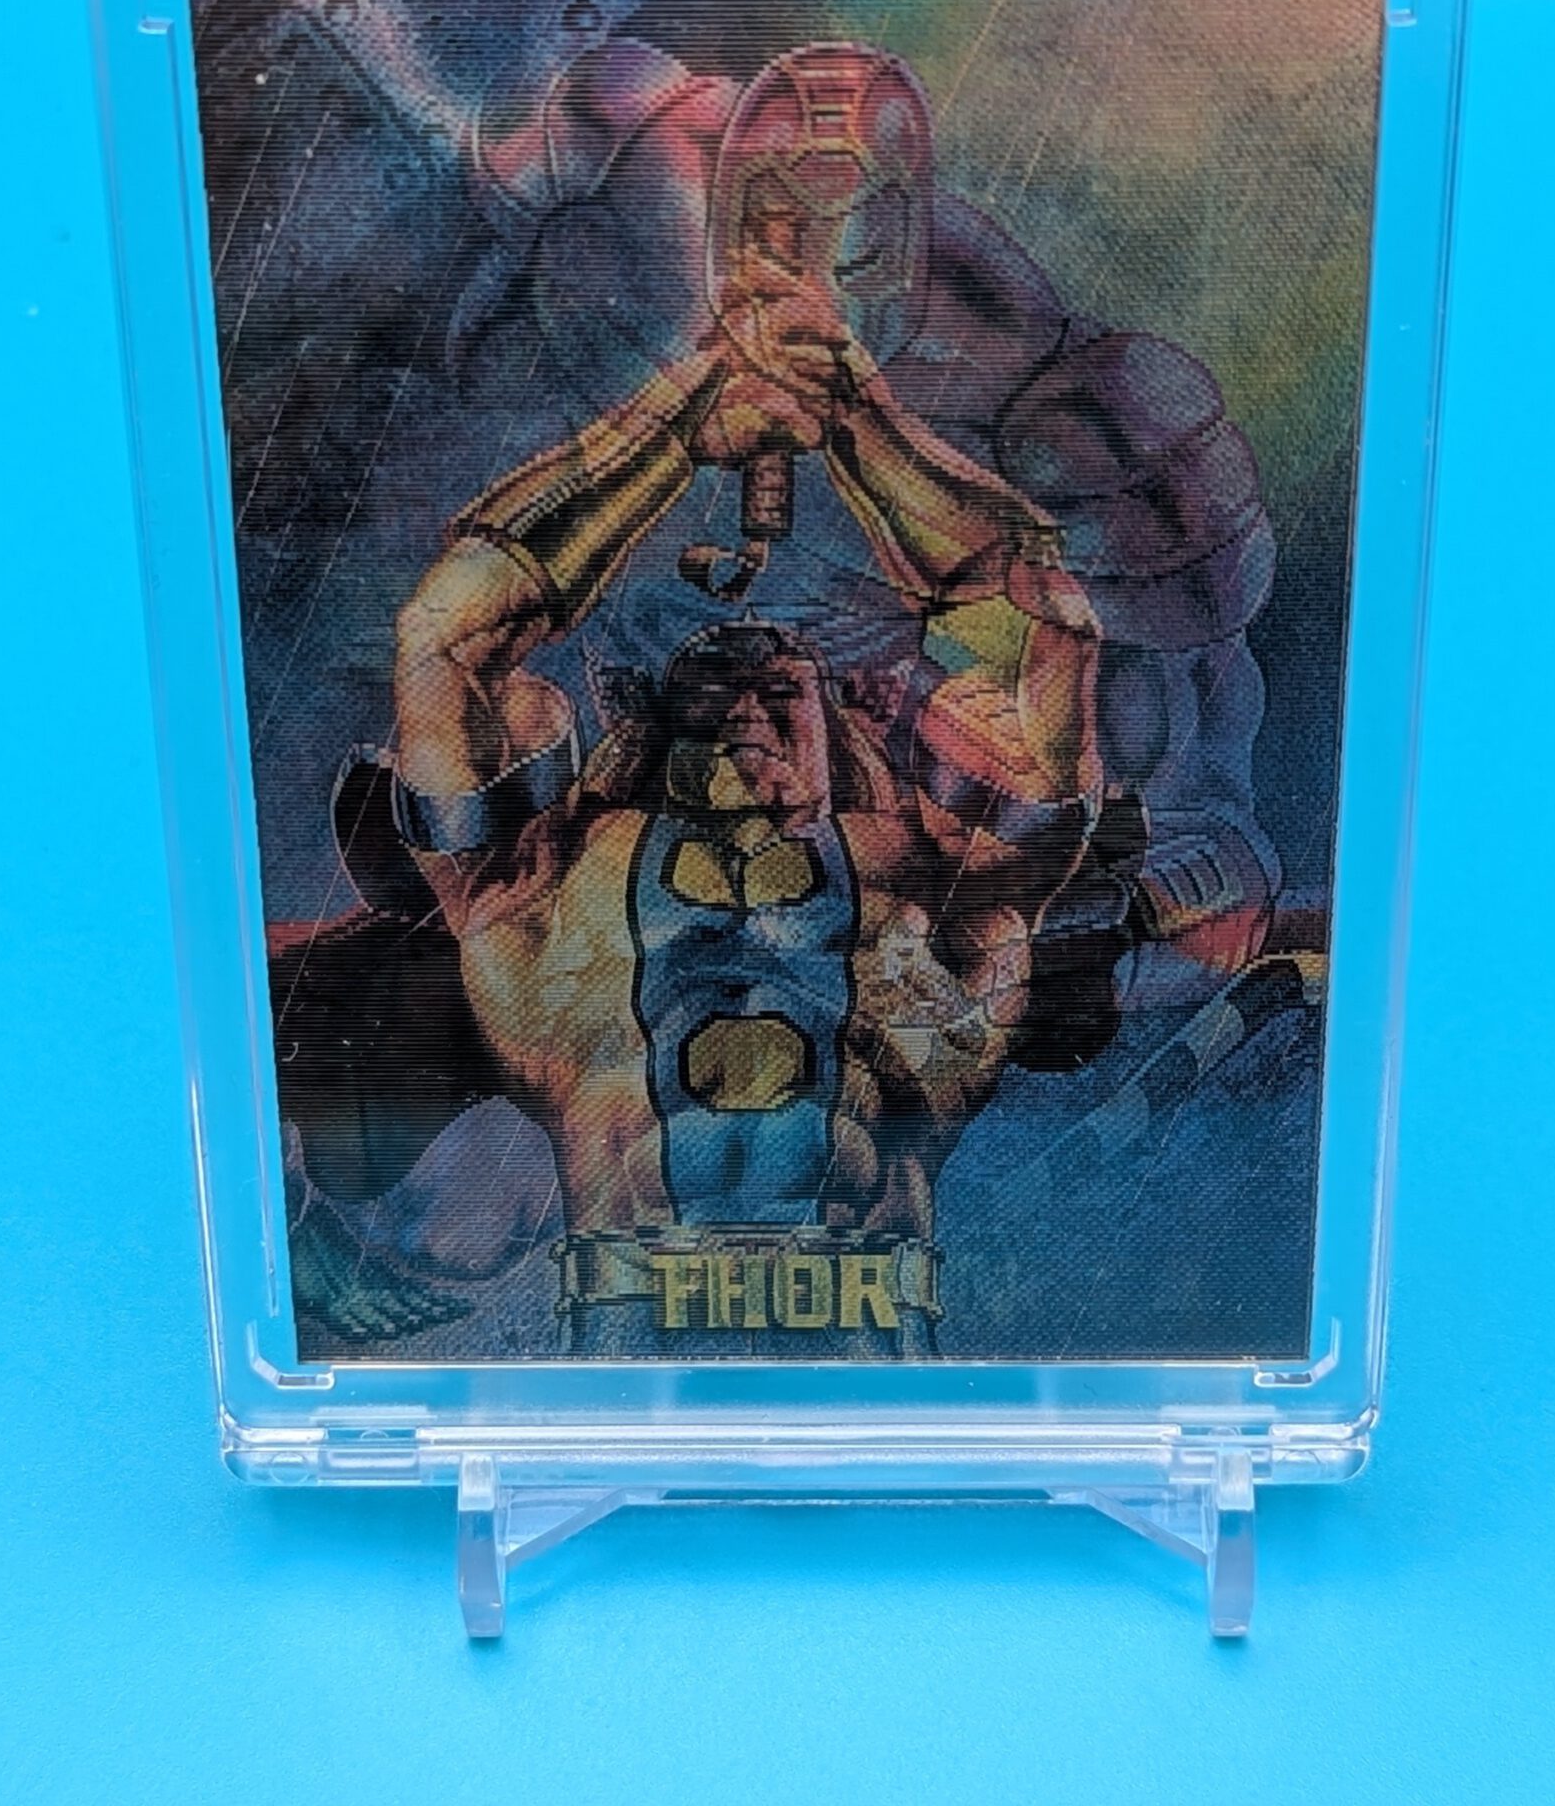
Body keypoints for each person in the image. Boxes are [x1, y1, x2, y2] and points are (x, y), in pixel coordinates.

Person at [375, 234, 1106, 1357]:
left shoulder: (918, 879)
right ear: (659, 727)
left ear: (836, 728)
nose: (744, 708)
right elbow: (443, 637)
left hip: (876, 1373)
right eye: (711, 689)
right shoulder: (549, 885)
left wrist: (853, 411)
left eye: (778, 688)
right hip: (629, 1371)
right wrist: (680, 409)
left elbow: (1050, 621)